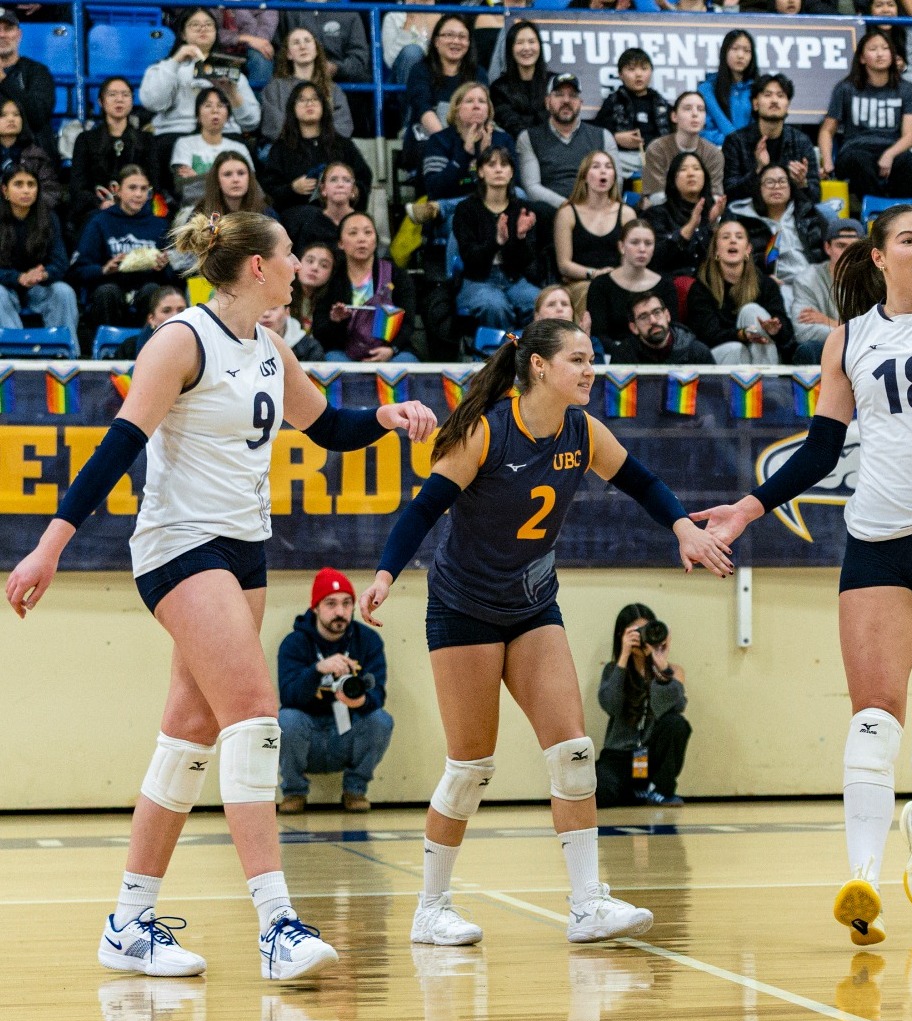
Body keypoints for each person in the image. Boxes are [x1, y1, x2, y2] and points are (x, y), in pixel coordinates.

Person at [5, 208, 438, 981]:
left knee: (189, 734)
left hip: (244, 549)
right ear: (258, 269)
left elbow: (325, 426)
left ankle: (129, 923)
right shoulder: (181, 341)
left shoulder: (270, 347)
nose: (303, 267)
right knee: (255, 714)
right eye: (290, 257)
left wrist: (385, 414)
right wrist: (50, 544)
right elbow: (118, 448)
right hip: (179, 545)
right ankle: (277, 926)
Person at [690, 204, 912, 948]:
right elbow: (817, 450)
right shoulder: (850, 338)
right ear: (878, 257)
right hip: (876, 539)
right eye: (909, 239)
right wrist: (748, 509)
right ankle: (864, 883)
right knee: (875, 720)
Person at [356, 317, 731, 949]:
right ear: (538, 366)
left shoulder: (582, 431)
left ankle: (587, 904)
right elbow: (422, 509)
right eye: (578, 360)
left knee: (574, 752)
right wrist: (386, 575)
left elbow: (640, 480)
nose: (591, 371)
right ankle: (431, 908)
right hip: (463, 610)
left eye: (592, 360)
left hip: (532, 607)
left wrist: (682, 527)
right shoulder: (484, 431)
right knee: (471, 767)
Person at [276, 569, 394, 815]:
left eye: (347, 603)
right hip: (308, 734)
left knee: (381, 721)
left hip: (346, 730)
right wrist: (317, 670)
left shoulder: (368, 641)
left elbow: (378, 695)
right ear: (316, 608)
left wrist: (360, 700)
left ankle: (355, 790)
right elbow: (288, 697)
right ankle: (294, 792)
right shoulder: (295, 643)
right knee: (285, 719)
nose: (340, 612)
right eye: (331, 604)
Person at [73, 167, 175, 357]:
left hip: (146, 290)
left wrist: (164, 268)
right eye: (132, 188)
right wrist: (103, 269)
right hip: (110, 290)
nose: (138, 194)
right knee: (107, 292)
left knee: (153, 291)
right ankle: (107, 353)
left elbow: (174, 276)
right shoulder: (100, 222)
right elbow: (79, 270)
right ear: (118, 190)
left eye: (143, 189)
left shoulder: (159, 225)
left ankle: (151, 353)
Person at [598, 604, 694, 806]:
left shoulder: (673, 671)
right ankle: (635, 791)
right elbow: (610, 706)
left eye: (646, 631)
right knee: (600, 792)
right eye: (635, 632)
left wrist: (661, 667)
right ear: (622, 635)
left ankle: (659, 790)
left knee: (676, 723)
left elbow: (672, 708)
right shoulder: (613, 671)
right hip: (620, 756)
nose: (641, 638)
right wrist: (623, 657)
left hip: (652, 757)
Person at [820, 30, 912, 205]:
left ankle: (901, 212)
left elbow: (909, 136)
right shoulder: (846, 88)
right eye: (873, 49)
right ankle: (878, 212)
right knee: (858, 162)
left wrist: (889, 154)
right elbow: (827, 130)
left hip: (893, 149)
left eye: (885, 48)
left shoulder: (906, 88)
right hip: (856, 150)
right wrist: (827, 163)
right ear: (862, 58)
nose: (880, 53)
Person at [141, 8, 262, 161]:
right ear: (183, 34)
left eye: (208, 25)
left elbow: (251, 122)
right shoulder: (164, 67)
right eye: (194, 25)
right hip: (176, 134)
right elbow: (154, 104)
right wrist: (175, 62)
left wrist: (232, 94)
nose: (202, 28)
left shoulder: (231, 70)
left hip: (224, 135)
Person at [686, 219, 800, 364]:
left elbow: (787, 334)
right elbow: (707, 335)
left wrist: (775, 329)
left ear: (748, 250)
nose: (733, 241)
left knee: (751, 311)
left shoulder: (766, 284)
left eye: (739, 237)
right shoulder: (702, 287)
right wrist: (741, 335)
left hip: (763, 355)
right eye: (726, 237)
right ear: (716, 251)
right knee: (736, 349)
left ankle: (765, 382)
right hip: (720, 357)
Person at [454, 147, 542, 331]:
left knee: (541, 304)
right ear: (480, 172)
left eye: (504, 165)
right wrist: (497, 242)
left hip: (514, 278)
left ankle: (532, 353)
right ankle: (505, 354)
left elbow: (528, 260)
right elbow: (469, 257)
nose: (498, 169)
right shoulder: (466, 209)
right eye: (491, 164)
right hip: (478, 280)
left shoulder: (522, 209)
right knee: (495, 307)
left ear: (511, 173)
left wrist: (519, 237)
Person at [315, 211, 419, 364]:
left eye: (368, 233)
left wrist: (391, 349)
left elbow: (408, 322)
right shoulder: (332, 277)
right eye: (353, 233)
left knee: (405, 362)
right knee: (333, 362)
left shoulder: (396, 275)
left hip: (390, 351)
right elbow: (321, 330)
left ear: (375, 240)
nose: (361, 239)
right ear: (340, 243)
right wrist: (334, 320)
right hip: (345, 351)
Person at [258, 83, 373, 216]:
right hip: (299, 215)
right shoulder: (281, 148)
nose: (309, 104)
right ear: (292, 108)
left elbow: (363, 178)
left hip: (340, 211)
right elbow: (271, 186)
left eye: (315, 99)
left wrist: (352, 190)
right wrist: (292, 188)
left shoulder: (343, 145)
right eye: (302, 99)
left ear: (323, 106)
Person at [518, 73, 621, 211]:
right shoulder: (529, 137)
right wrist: (570, 208)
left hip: (596, 209)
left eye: (573, 95)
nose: (566, 100)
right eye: (559, 94)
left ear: (580, 103)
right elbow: (532, 187)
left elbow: (616, 181)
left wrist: (590, 206)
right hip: (551, 212)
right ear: (547, 102)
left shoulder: (603, 136)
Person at [70, 78, 158, 231]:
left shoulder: (146, 140)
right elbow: (78, 186)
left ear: (131, 101)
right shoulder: (86, 140)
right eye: (112, 94)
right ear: (101, 102)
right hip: (98, 210)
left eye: (125, 95)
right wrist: (101, 203)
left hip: (137, 208)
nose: (119, 99)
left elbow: (155, 183)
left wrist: (131, 202)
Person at [722, 74, 821, 205]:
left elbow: (815, 197)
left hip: (790, 212)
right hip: (748, 211)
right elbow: (730, 193)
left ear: (788, 105)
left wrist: (802, 184)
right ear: (755, 104)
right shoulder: (735, 141)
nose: (774, 100)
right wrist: (758, 170)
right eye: (768, 95)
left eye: (780, 96)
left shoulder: (801, 142)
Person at [0, 166, 77, 334]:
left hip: (39, 286)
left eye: (31, 184)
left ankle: (63, 352)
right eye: (18, 184)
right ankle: (12, 352)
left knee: (64, 292)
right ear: (5, 189)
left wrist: (43, 274)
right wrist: (18, 277)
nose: (26, 190)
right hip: (5, 286)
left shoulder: (49, 218)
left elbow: (60, 262)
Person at [735, 162, 834, 287]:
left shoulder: (808, 214)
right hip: (775, 286)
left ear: (790, 187)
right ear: (759, 188)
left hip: (815, 282)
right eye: (770, 182)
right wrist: (765, 281)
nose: (777, 186)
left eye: (782, 181)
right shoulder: (746, 222)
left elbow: (829, 250)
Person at [587, 219, 671, 353]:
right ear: (621, 247)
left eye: (648, 243)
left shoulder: (665, 284)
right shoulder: (601, 285)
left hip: (657, 350)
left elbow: (672, 327)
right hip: (614, 355)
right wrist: (624, 352)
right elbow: (598, 334)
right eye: (635, 242)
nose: (642, 249)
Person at [555, 151, 640, 284]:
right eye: (596, 166)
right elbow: (564, 265)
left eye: (608, 167)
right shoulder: (567, 213)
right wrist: (595, 274)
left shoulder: (627, 213)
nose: (603, 171)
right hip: (582, 282)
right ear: (584, 177)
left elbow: (633, 257)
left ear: (614, 177)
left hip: (618, 281)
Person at [421, 82, 516, 200]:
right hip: (456, 203)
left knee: (520, 193)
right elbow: (435, 189)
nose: (476, 106)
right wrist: (465, 154)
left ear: (488, 110)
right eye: (469, 101)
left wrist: (485, 156)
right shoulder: (439, 140)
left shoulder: (503, 140)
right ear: (456, 109)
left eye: (482, 101)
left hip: (495, 202)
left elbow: (512, 184)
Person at [593, 47, 672, 183]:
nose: (638, 74)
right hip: (623, 157)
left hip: (655, 157)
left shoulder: (661, 103)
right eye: (631, 69)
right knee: (605, 163)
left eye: (643, 68)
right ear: (620, 74)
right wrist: (616, 137)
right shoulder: (613, 101)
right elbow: (596, 131)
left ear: (651, 71)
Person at [259, 27, 350, 142]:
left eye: (307, 41)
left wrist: (316, 143)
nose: (303, 46)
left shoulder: (333, 89)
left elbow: (343, 127)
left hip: (325, 148)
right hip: (287, 147)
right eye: (296, 43)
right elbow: (273, 127)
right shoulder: (275, 88)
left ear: (316, 50)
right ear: (289, 54)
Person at [645, 150, 725, 278]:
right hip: (672, 284)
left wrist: (712, 224)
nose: (691, 174)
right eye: (683, 169)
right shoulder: (657, 215)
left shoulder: (720, 212)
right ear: (672, 179)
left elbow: (739, 256)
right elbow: (654, 259)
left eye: (696, 168)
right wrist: (690, 227)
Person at [791, 219, 863, 360]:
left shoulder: (875, 281)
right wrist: (850, 330)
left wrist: (827, 321)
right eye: (841, 246)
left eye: (853, 247)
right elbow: (802, 332)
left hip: (864, 353)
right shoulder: (807, 279)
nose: (847, 253)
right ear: (827, 248)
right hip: (829, 349)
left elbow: (874, 335)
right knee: (808, 349)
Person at [171, 90, 252, 207]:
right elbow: (185, 188)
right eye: (208, 106)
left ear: (228, 115)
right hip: (196, 208)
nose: (215, 111)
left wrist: (198, 179)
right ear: (197, 115)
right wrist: (225, 184)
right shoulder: (184, 144)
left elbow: (250, 184)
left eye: (220, 106)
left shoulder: (239, 147)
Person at [643, 94, 725, 207]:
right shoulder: (658, 148)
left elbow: (715, 195)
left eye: (700, 109)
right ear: (674, 116)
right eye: (687, 108)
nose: (695, 114)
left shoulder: (714, 153)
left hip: (703, 212)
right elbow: (656, 194)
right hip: (665, 211)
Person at [405, 15, 478, 141]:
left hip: (467, 141)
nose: (455, 41)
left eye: (462, 37)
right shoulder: (420, 71)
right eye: (449, 35)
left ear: (469, 43)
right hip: (427, 141)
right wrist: (445, 143)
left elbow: (479, 113)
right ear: (436, 41)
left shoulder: (477, 73)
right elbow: (423, 108)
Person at [612, 291, 716, 365]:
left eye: (657, 312)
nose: (653, 320)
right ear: (634, 327)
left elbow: (714, 395)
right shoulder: (623, 356)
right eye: (643, 317)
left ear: (667, 315)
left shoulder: (697, 352)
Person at [0, 8, 53, 148]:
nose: (1, 34)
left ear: (19, 35)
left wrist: (3, 79)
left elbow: (38, 117)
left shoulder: (37, 72)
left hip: (29, 157)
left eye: (8, 28)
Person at [282, 162, 362, 255]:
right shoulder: (311, 224)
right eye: (333, 180)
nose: (340, 185)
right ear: (323, 189)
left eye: (346, 180)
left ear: (353, 190)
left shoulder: (362, 222)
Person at [489, 20, 550, 139]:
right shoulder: (499, 88)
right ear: (510, 48)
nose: (526, 48)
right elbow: (511, 125)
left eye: (532, 42)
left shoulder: (553, 82)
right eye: (519, 42)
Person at [0, 98, 59, 215]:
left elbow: (50, 191)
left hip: (29, 214)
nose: (11, 119)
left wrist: (26, 208)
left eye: (16, 115)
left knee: (52, 218)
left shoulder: (36, 155)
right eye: (3, 115)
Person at [280, 12, 372, 87]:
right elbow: (279, 54)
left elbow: (359, 59)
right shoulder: (288, 12)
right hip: (296, 80)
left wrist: (336, 68)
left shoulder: (348, 13)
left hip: (342, 82)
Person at [700, 30, 760, 143]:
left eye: (747, 51)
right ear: (724, 52)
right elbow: (705, 130)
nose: (740, 55)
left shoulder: (757, 89)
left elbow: (760, 128)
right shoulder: (707, 89)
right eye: (735, 49)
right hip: (717, 151)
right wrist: (733, 146)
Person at [115, 285, 188, 361]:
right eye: (166, 311)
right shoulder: (129, 348)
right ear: (151, 319)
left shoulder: (198, 345)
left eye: (181, 310)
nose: (175, 316)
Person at [290, 241, 333, 330]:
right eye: (310, 261)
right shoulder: (283, 296)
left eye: (324, 265)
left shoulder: (329, 306)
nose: (315, 268)